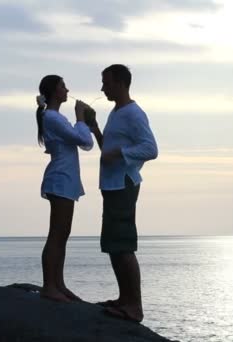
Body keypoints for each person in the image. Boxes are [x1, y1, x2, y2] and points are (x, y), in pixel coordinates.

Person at [87, 64, 158, 322]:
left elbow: (151, 149)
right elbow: (107, 149)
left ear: (119, 83)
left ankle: (134, 307)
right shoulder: (116, 112)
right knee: (114, 245)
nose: (102, 87)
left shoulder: (133, 113)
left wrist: (120, 154)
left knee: (124, 246)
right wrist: (95, 128)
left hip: (124, 184)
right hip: (111, 185)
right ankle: (124, 299)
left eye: (105, 82)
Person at [36, 75, 94, 302]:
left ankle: (58, 283)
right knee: (57, 234)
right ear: (53, 91)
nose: (67, 89)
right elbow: (85, 142)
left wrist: (81, 123)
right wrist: (81, 118)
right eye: (62, 86)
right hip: (60, 179)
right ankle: (50, 285)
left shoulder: (55, 117)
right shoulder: (52, 117)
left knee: (62, 234)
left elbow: (81, 140)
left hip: (64, 179)